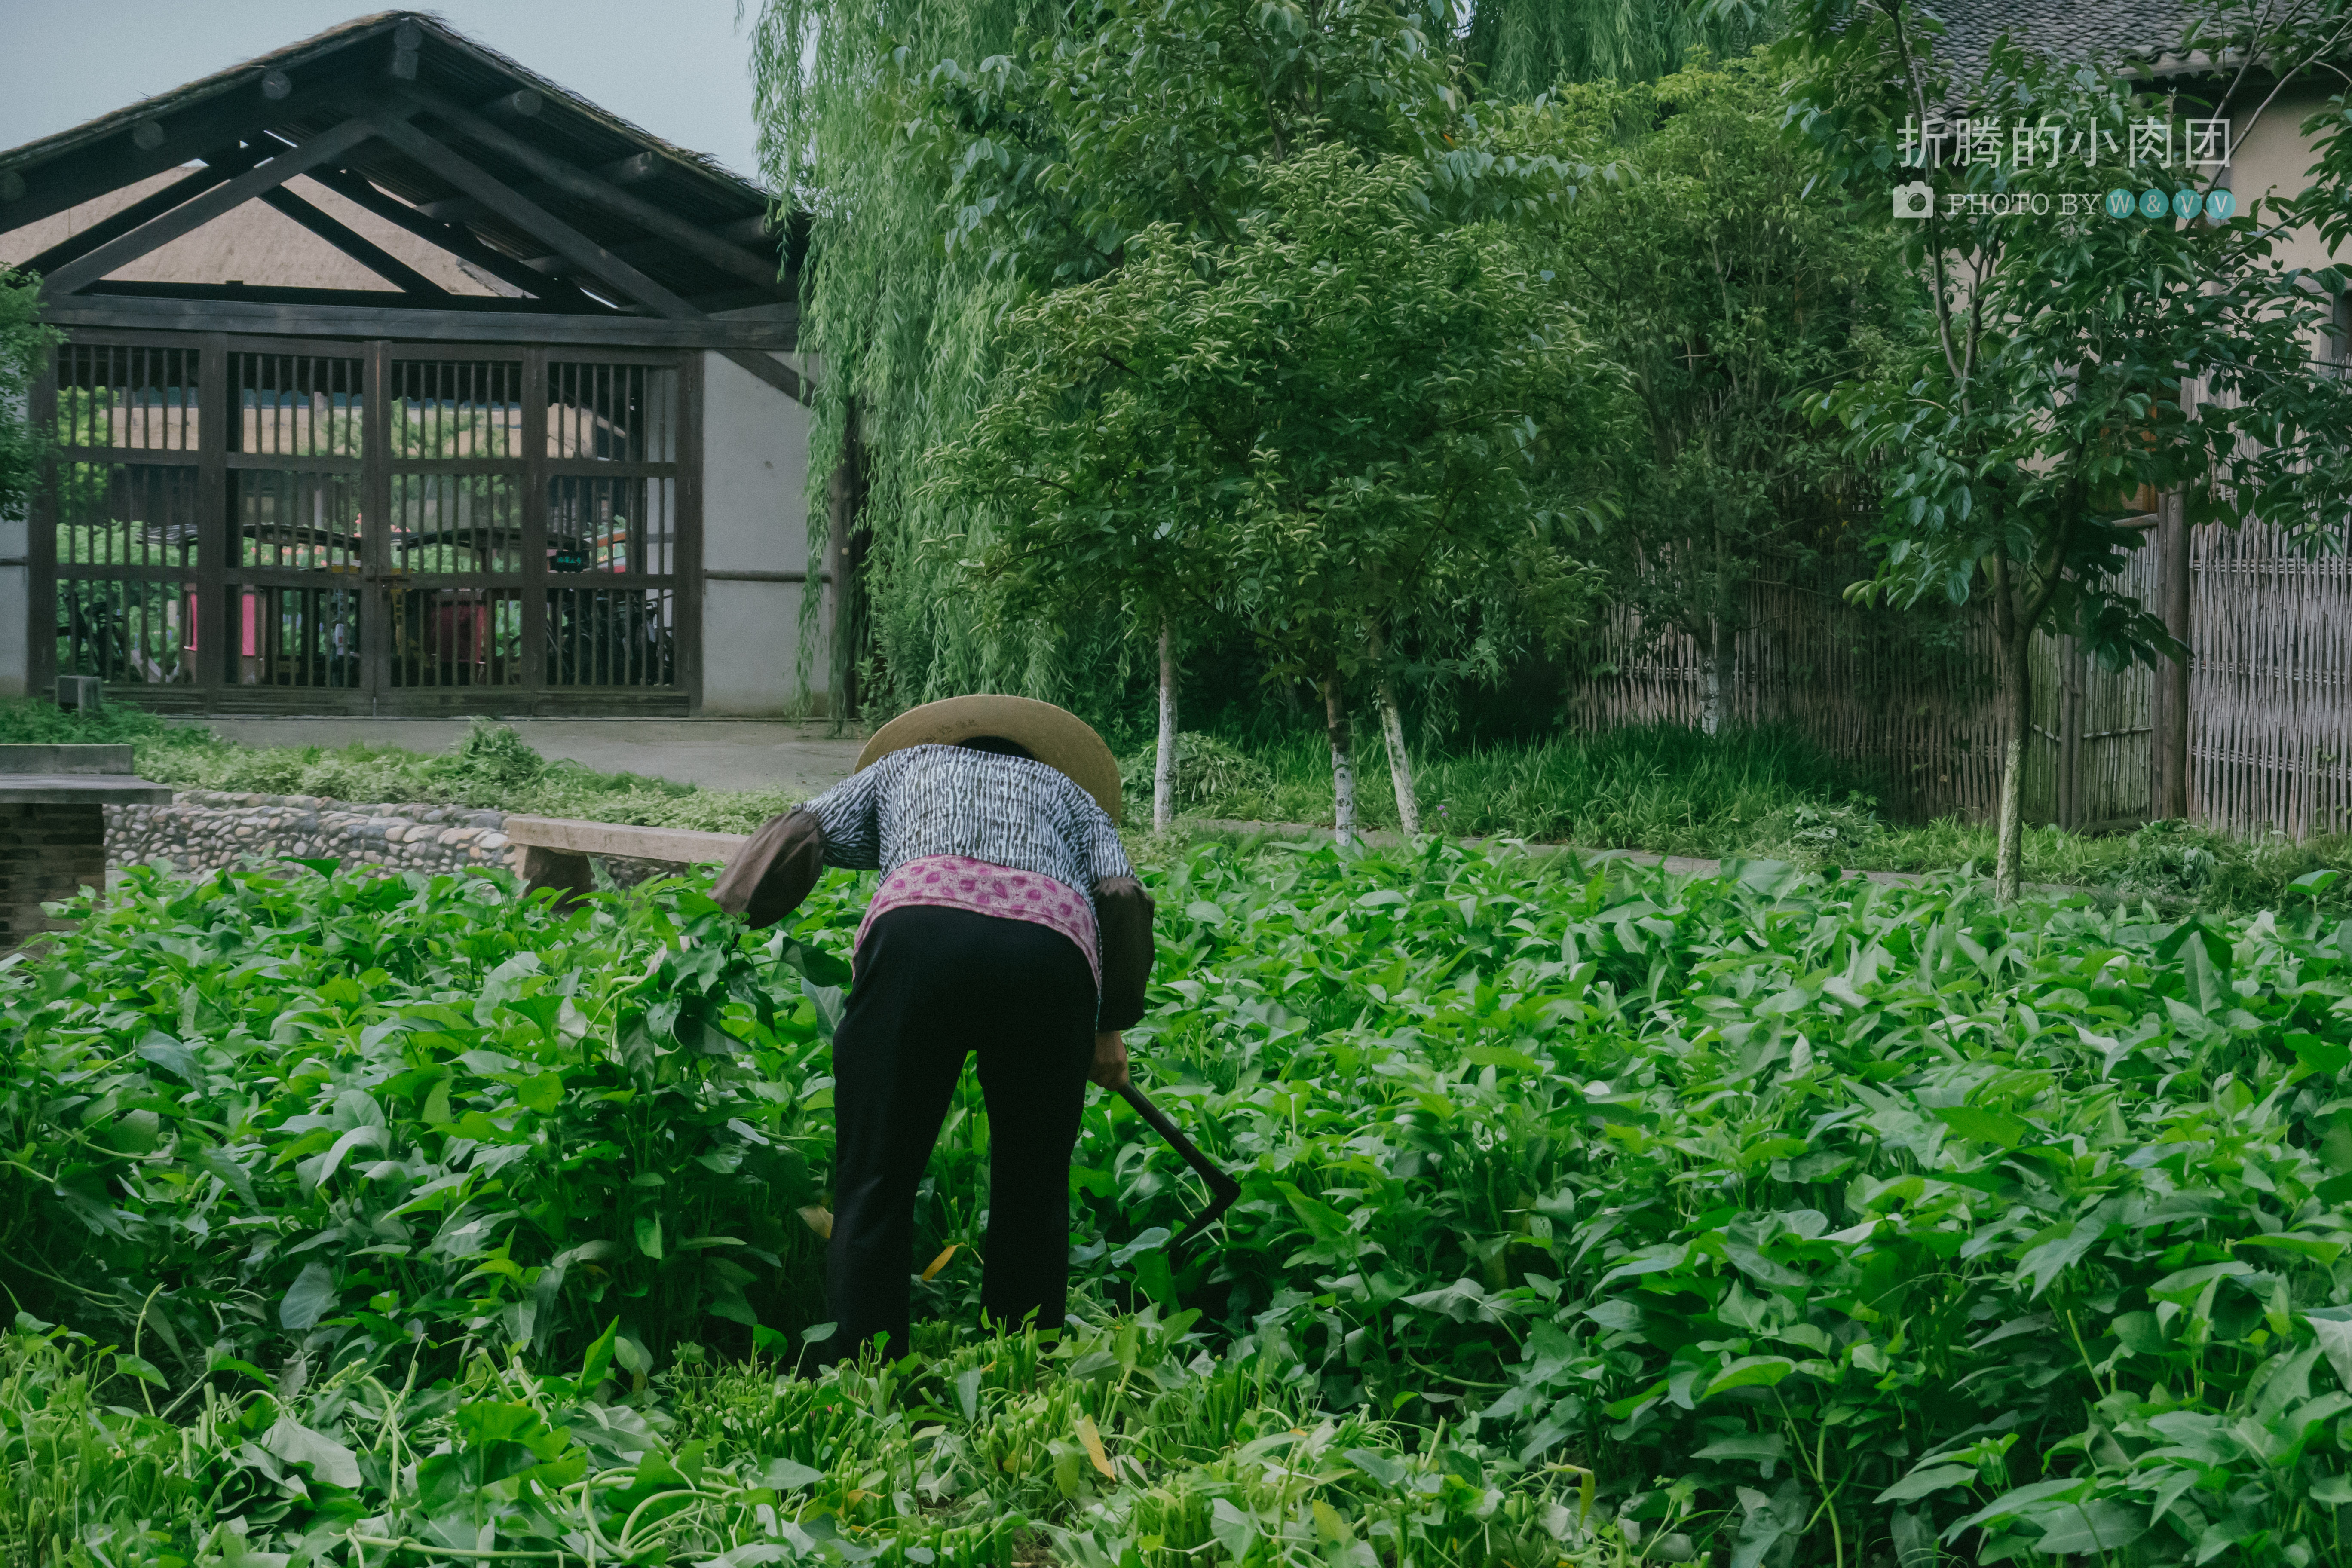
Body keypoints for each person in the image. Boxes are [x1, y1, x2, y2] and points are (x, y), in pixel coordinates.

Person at [710, 694, 1154, 1364]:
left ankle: (866, 1361)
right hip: (1049, 952)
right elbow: (1119, 897)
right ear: (1033, 753)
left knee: (877, 1172)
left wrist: (721, 921)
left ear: (953, 740)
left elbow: (805, 831)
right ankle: (1021, 1356)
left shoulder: (906, 765)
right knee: (1033, 1178)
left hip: (920, 935)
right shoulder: (1070, 794)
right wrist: (1109, 1030)